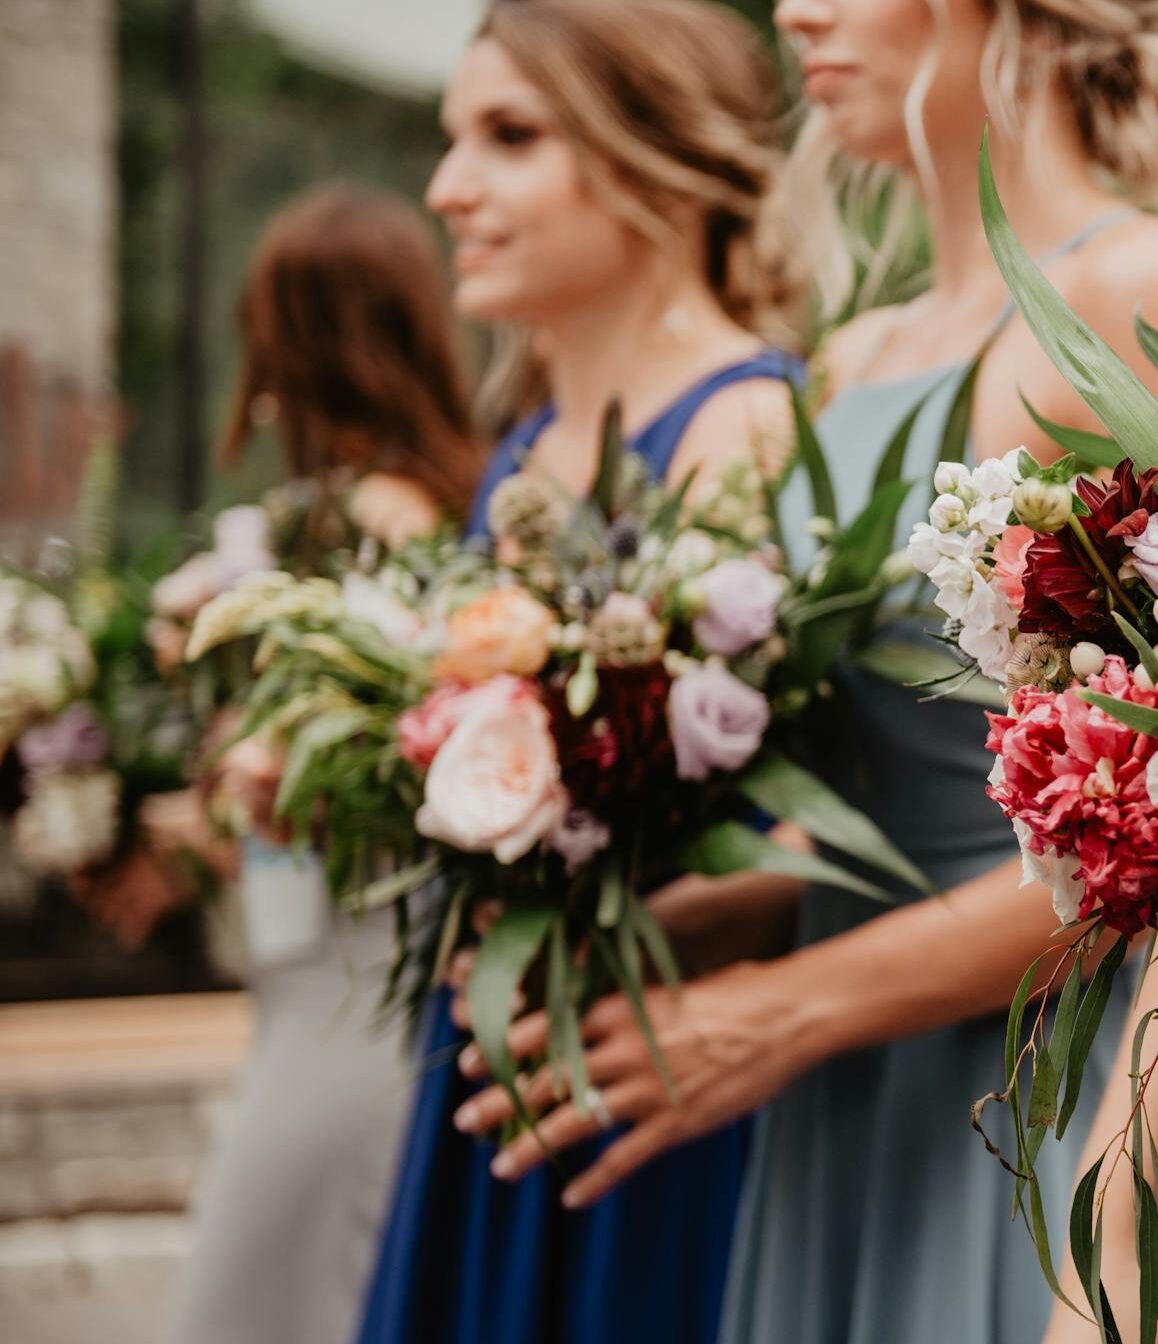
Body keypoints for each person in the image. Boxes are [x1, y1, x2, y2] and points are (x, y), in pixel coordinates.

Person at [451, 0, 1158, 1339]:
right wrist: (720, 923)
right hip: (844, 1098)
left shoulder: (1135, 292)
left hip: (1044, 1083)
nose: (795, 14)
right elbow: (909, 802)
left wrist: (784, 1009)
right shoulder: (847, 360)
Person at [351, 4, 802, 1342]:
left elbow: (799, 825)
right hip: (492, 1056)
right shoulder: (524, 449)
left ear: (654, 161)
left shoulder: (744, 426)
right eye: (451, 140)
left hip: (645, 1085)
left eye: (508, 137)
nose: (449, 188)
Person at [164, 183, 485, 1344]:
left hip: (361, 974)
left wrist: (253, 778)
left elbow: (392, 756)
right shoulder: (364, 508)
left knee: (256, 1302)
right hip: (315, 969)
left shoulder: (388, 516)